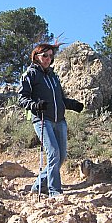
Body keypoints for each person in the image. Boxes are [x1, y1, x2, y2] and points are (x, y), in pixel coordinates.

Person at [18, 43, 84, 198]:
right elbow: (22, 99)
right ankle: (54, 191)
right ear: (36, 56)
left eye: (50, 56)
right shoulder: (30, 74)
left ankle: (38, 185)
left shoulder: (53, 76)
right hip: (42, 119)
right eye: (44, 55)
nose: (48, 59)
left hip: (60, 120)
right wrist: (35, 105)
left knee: (61, 157)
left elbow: (59, 99)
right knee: (53, 153)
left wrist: (72, 104)